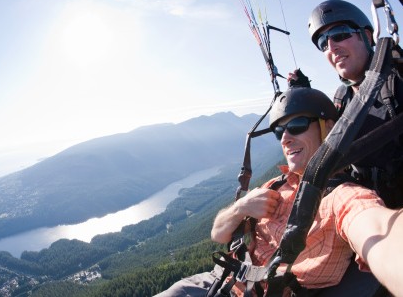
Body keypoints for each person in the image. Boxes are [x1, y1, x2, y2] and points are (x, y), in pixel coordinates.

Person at [154, 87, 403, 297]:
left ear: (328, 129)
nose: (285, 138)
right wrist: (241, 208)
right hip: (221, 282)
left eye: (296, 125)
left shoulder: (342, 196)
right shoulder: (274, 185)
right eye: (279, 131)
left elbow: (381, 231)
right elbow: (218, 234)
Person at [291, 0, 403, 208]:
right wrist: (302, 94)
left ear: (367, 35)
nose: (331, 47)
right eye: (323, 43)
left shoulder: (397, 83)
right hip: (362, 210)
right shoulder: (343, 97)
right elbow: (329, 135)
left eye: (340, 34)